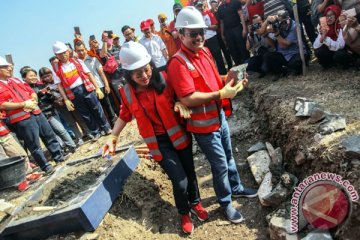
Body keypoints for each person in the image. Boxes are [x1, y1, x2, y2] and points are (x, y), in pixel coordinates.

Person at [102, 42, 209, 234]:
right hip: (159, 144)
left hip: (180, 136)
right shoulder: (126, 93)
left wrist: (179, 103)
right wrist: (113, 136)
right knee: (179, 181)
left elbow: (182, 94)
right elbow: (124, 114)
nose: (145, 76)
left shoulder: (165, 79)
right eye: (138, 74)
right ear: (129, 75)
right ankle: (184, 212)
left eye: (146, 69)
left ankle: (196, 203)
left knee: (190, 173)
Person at [167, 7, 257, 224]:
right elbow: (187, 97)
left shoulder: (205, 51)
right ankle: (226, 202)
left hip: (218, 117)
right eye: (192, 33)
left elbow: (212, 78)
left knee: (229, 157)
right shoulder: (178, 63)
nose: (199, 37)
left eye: (201, 32)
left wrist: (229, 79)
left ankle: (235, 187)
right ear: (180, 34)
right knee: (220, 165)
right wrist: (220, 93)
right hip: (203, 127)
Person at [0, 56, 63, 174]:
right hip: (22, 119)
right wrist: (23, 104)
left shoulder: (16, 80)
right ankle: (46, 166)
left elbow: (31, 91)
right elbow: (2, 104)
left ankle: (58, 157)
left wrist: (33, 100)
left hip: (36, 112)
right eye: (5, 67)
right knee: (34, 144)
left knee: (49, 135)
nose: (9, 68)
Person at [52, 41, 111, 141]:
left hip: (86, 88)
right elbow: (59, 85)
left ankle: (106, 127)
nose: (63, 55)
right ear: (56, 55)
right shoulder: (56, 68)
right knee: (85, 114)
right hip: (73, 93)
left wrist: (97, 88)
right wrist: (66, 99)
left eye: (64, 52)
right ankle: (95, 132)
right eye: (60, 54)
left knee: (97, 108)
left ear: (68, 51)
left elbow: (89, 74)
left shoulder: (77, 61)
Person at [20, 67, 77, 152]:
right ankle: (61, 149)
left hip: (50, 111)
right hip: (38, 115)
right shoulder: (23, 90)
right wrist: (38, 95)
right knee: (50, 135)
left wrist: (49, 95)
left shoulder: (41, 85)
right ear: (24, 78)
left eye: (35, 75)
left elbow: (51, 99)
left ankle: (72, 146)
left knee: (60, 130)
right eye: (31, 76)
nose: (34, 77)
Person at [74, 41, 119, 125]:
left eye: (82, 50)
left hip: (100, 86)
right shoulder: (75, 64)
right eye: (78, 51)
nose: (81, 52)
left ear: (85, 49)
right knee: (97, 109)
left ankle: (113, 123)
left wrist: (106, 85)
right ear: (75, 51)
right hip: (88, 90)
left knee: (107, 106)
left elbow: (101, 73)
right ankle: (106, 125)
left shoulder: (93, 59)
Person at [263, 10, 309, 80]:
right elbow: (272, 45)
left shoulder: (295, 26)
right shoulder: (276, 26)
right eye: (280, 22)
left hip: (295, 52)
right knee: (267, 57)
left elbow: (286, 45)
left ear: (288, 19)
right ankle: (281, 72)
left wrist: (276, 33)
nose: (282, 24)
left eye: (284, 21)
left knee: (296, 63)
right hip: (283, 54)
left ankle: (291, 69)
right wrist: (265, 35)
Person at [313, 5, 351, 69]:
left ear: (337, 16)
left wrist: (326, 39)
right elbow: (315, 46)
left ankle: (346, 64)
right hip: (330, 51)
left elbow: (340, 45)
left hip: (340, 50)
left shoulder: (341, 26)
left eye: (331, 15)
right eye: (327, 16)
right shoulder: (324, 27)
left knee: (339, 54)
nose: (329, 18)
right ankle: (328, 65)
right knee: (319, 51)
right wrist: (322, 36)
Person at [195, 0, 227, 75]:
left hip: (212, 38)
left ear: (203, 6)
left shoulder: (208, 13)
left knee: (218, 58)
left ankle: (223, 74)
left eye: (201, 6)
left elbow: (216, 26)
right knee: (208, 61)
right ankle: (215, 76)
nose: (200, 8)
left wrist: (206, 26)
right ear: (196, 8)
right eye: (198, 7)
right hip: (202, 42)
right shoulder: (195, 18)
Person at [218, 0, 249, 65]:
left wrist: (244, 29)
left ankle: (248, 64)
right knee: (232, 49)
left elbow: (241, 15)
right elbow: (221, 23)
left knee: (242, 46)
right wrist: (222, 34)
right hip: (227, 31)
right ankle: (238, 65)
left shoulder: (235, 2)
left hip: (237, 27)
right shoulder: (220, 8)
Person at [210, 0, 234, 70]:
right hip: (214, 35)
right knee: (218, 52)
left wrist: (223, 34)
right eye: (213, 5)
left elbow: (222, 22)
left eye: (216, 5)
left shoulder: (220, 11)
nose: (214, 7)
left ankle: (230, 65)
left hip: (221, 33)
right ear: (210, 5)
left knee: (225, 50)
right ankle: (222, 67)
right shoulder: (209, 13)